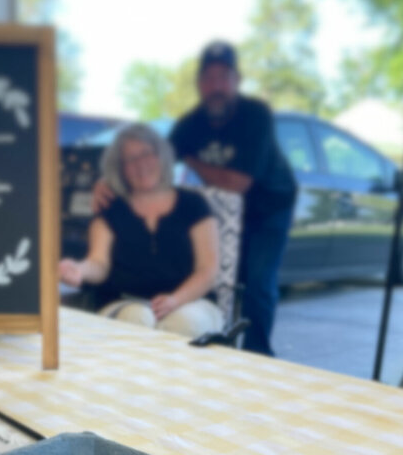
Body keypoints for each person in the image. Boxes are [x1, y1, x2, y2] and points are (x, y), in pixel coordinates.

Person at [95, 42, 297, 355]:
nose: (216, 86)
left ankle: (258, 357)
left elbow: (237, 184)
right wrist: (108, 183)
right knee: (226, 279)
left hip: (267, 209)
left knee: (256, 282)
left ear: (236, 80)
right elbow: (150, 158)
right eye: (209, 78)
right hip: (226, 212)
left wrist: (190, 159)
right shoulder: (190, 124)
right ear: (200, 84)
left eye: (223, 77)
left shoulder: (255, 116)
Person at [59, 123, 223, 338]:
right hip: (124, 302)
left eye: (147, 154)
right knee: (136, 320)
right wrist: (78, 270)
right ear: (119, 168)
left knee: (184, 324)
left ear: (162, 156)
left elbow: (208, 270)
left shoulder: (194, 204)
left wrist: (176, 300)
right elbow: (98, 263)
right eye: (130, 159)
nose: (141, 164)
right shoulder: (110, 209)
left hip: (191, 301)